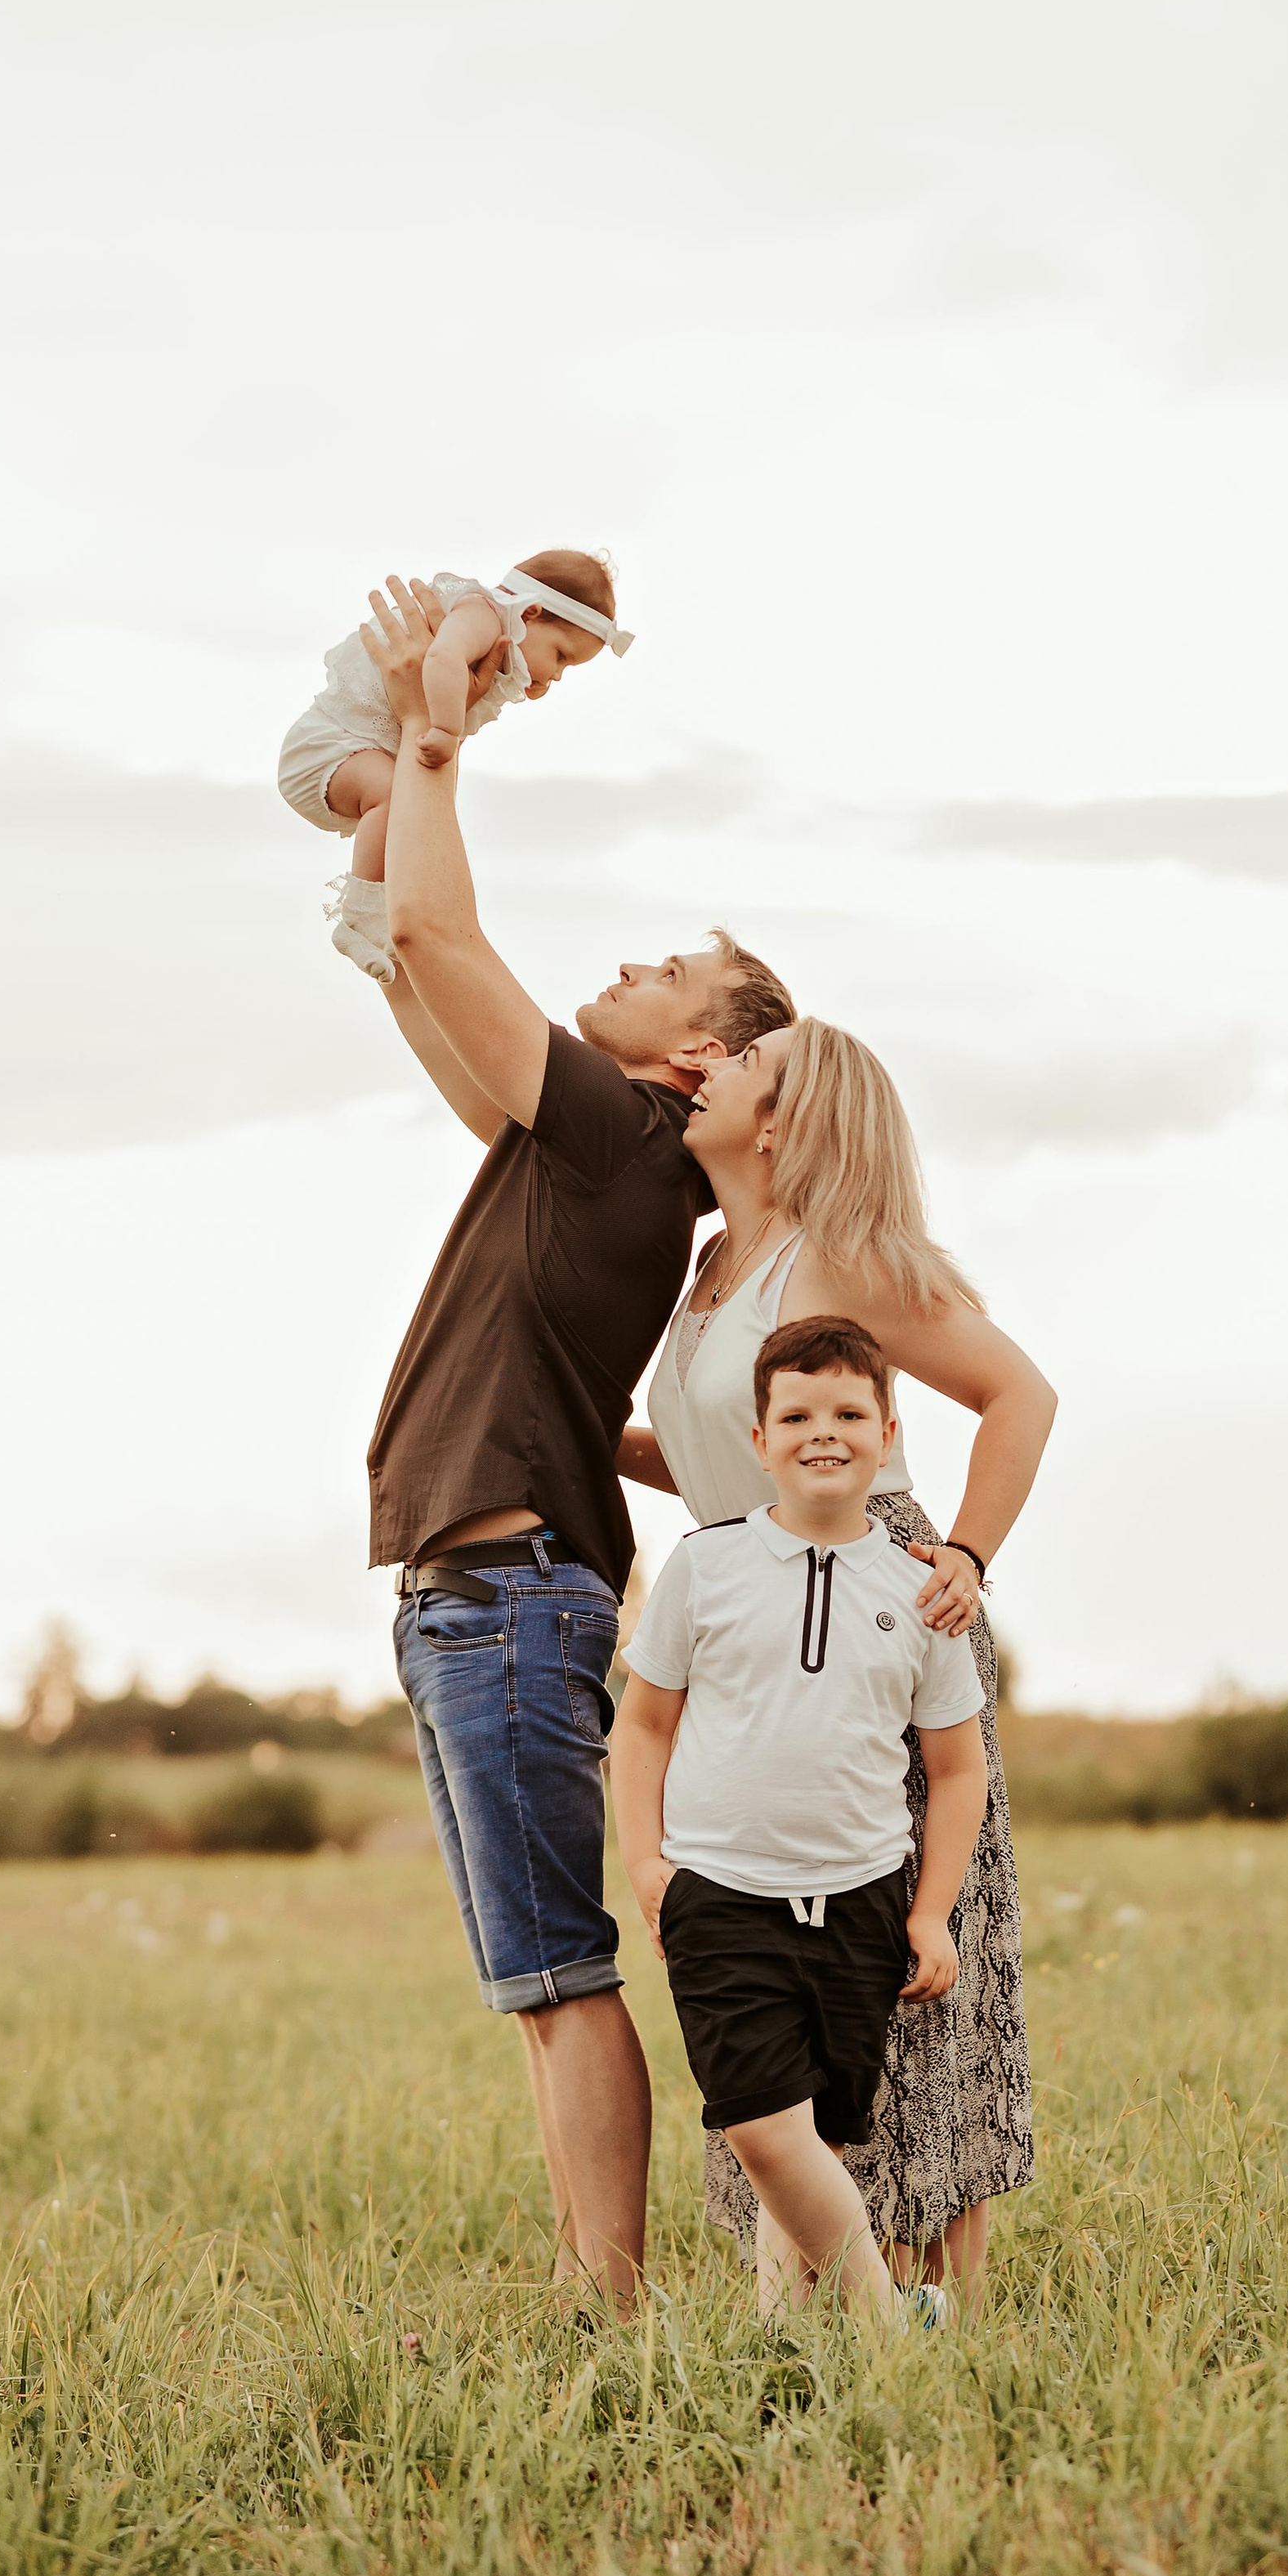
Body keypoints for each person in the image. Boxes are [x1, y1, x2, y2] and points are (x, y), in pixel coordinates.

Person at [351, 575, 793, 2308]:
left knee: (561, 1974)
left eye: (663, 971)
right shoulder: (577, 1145)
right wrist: (381, 876)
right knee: (537, 1982)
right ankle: (590, 2290)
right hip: (483, 1589)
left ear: (695, 1056)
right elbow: (431, 986)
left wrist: (437, 747)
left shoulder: (621, 1138)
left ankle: (607, 2306)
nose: (623, 967)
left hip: (516, 1596)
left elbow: (454, 952)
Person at [623, 1017, 1054, 2302]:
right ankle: (813, 2306)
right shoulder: (709, 1263)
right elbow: (717, 1449)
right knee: (756, 1939)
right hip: (742, 1592)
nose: (705, 1074)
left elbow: (1021, 1396)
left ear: (780, 1122)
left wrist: (965, 1558)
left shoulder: (845, 1257)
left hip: (876, 1592)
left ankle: (932, 2309)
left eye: (736, 1067)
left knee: (904, 1956)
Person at [611, 1314, 989, 2332]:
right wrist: (646, 1865)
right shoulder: (705, 1565)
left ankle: (783, 2343)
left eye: (848, 1412)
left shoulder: (923, 1591)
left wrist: (932, 1913)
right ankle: (889, 2322)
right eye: (797, 1414)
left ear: (887, 1430)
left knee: (815, 2133)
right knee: (761, 2129)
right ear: (759, 1440)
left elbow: (957, 1773)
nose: (823, 1431)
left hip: (863, 1896)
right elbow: (642, 1726)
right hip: (722, 1892)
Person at [277, 551, 632, 981]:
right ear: (531, 612)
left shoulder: (502, 641)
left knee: (410, 820)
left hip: (357, 756)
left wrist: (520, 685)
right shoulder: (481, 613)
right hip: (327, 747)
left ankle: (375, 923)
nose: (557, 675)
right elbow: (441, 658)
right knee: (395, 799)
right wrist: (445, 728)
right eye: (560, 656)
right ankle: (361, 914)